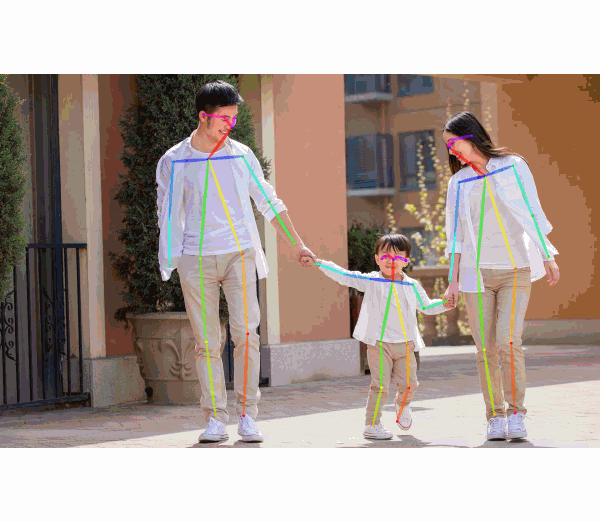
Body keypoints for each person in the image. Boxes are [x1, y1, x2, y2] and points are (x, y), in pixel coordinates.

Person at [156, 80, 315, 443]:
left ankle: (247, 415)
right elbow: (165, 213)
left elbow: (269, 201)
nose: (230, 125)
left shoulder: (241, 155)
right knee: (207, 342)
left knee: (246, 335)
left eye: (234, 118)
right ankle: (215, 418)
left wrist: (297, 245)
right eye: (224, 118)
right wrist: (171, 256)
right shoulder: (174, 160)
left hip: (240, 254)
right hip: (194, 259)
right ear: (203, 116)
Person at [442, 111, 560, 441]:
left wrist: (548, 255)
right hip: (475, 276)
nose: (450, 150)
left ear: (470, 137)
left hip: (515, 270)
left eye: (453, 143)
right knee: (485, 350)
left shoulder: (513, 166)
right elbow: (455, 234)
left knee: (509, 343)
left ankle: (517, 414)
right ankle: (494, 417)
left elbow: (532, 211)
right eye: (447, 146)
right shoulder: (458, 182)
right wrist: (453, 280)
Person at [307, 234, 453, 440]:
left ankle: (402, 406)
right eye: (385, 256)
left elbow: (426, 306)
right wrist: (318, 262)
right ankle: (372, 424)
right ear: (377, 259)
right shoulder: (371, 281)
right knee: (380, 385)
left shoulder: (412, 285)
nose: (391, 260)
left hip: (406, 345)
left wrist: (445, 304)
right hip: (379, 344)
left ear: (406, 260)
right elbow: (345, 275)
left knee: (410, 385)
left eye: (398, 256)